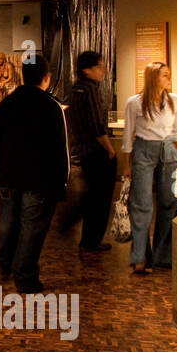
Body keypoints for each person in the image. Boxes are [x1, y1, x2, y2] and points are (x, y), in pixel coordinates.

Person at [0, 54, 70, 293]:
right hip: (39, 180)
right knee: (32, 228)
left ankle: (4, 265)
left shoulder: (8, 103)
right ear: (46, 77)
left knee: (8, 223)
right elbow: (60, 148)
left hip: (8, 177)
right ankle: (24, 277)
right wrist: (62, 182)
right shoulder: (52, 106)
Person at [122, 62, 177, 274]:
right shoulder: (135, 102)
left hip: (168, 150)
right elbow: (128, 134)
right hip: (143, 150)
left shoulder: (173, 100)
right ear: (152, 78)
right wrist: (127, 164)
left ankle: (163, 255)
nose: (168, 78)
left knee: (169, 202)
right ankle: (140, 256)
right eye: (164, 75)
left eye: (169, 74)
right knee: (141, 203)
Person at [63, 50, 116, 253]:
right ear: (87, 70)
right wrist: (110, 149)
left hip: (83, 151)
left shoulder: (76, 89)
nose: (102, 71)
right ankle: (91, 240)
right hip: (96, 151)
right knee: (100, 199)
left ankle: (86, 237)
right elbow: (96, 125)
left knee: (92, 195)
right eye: (99, 67)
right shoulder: (91, 89)